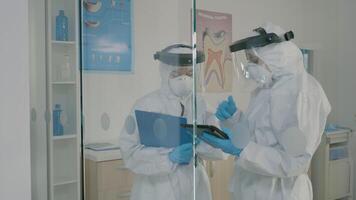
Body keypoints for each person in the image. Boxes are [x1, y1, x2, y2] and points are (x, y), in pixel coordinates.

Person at [200, 23, 331, 200]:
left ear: (275, 55)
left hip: (280, 192)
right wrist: (235, 119)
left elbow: (295, 162)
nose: (249, 66)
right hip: (250, 187)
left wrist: (242, 151)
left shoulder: (302, 93)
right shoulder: (265, 87)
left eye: (254, 60)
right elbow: (259, 135)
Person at [119, 44, 226, 200]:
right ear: (164, 73)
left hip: (195, 185)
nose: (184, 79)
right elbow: (129, 152)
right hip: (157, 188)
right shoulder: (146, 105)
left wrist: (202, 144)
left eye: (189, 73)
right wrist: (168, 158)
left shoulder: (201, 104)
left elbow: (220, 150)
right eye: (176, 74)